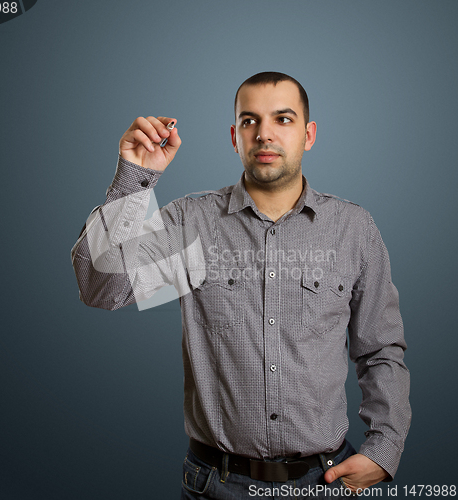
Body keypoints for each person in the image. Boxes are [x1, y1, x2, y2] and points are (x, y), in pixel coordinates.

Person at [71, 72, 410, 499]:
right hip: (216, 485)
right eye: (250, 121)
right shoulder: (191, 223)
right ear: (235, 136)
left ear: (309, 134)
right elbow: (100, 288)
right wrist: (135, 178)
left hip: (325, 483)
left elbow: (379, 349)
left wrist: (385, 448)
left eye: (282, 119)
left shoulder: (353, 229)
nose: (264, 134)